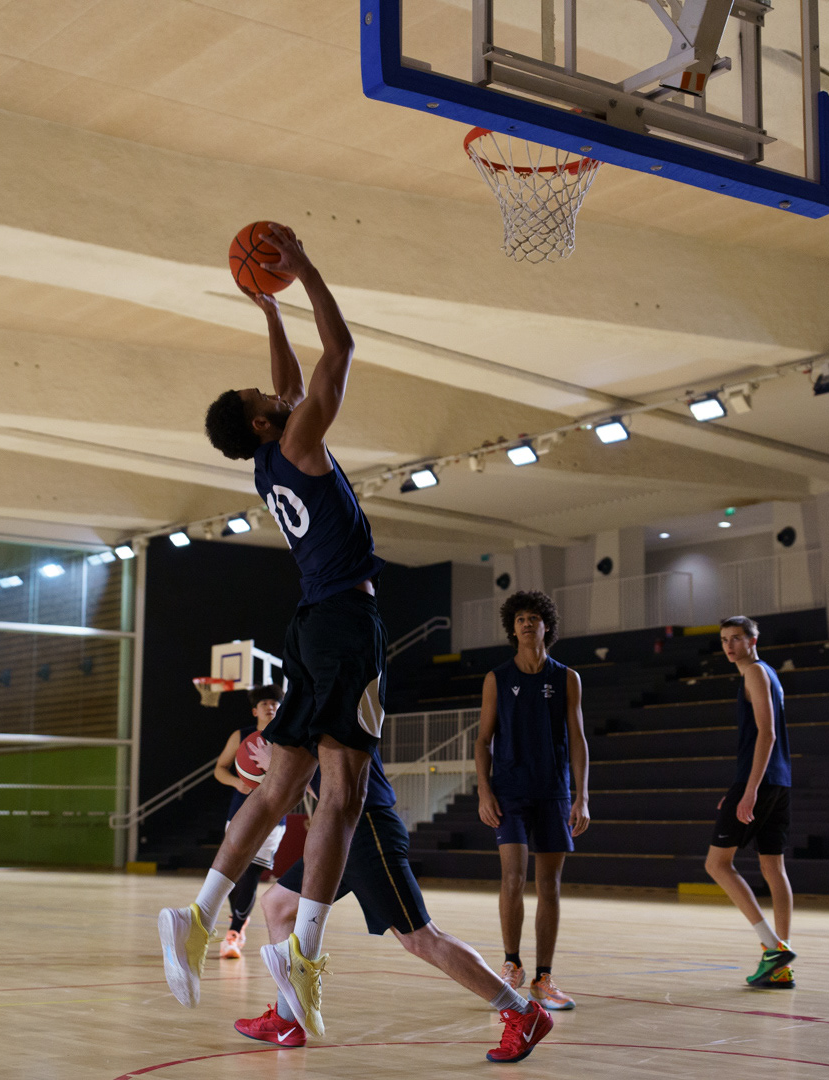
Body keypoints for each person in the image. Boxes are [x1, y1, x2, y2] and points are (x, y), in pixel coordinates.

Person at [161, 224, 386, 1036]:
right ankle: (304, 953)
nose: (271, 392)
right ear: (263, 424)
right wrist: (308, 272)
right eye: (262, 399)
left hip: (312, 623)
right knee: (344, 794)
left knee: (285, 786)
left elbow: (288, 381)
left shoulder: (268, 457)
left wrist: (269, 309)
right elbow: (341, 353)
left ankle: (199, 915)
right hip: (344, 622)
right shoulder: (294, 440)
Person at [233, 747, 554, 1063]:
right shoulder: (306, 725)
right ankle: (288, 1020)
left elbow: (323, 780)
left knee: (420, 937)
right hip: (338, 832)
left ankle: (522, 1012)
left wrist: (279, 768)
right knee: (278, 904)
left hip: (366, 831)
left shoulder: (329, 717)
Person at [474, 589, 590, 1010]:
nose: (526, 623)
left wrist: (582, 796)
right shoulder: (497, 678)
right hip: (509, 792)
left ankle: (543, 978)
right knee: (512, 877)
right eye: (520, 618)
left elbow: (578, 739)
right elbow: (483, 740)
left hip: (553, 791)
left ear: (546, 626)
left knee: (549, 885)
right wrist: (484, 790)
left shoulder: (567, 678)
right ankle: (512, 964)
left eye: (534, 618)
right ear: (513, 628)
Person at [703, 615, 797, 989]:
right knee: (773, 867)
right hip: (779, 781)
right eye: (724, 639)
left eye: (736, 638)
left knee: (717, 864)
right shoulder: (767, 673)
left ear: (753, 641)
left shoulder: (755, 673)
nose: (729, 645)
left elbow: (767, 734)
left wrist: (750, 789)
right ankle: (781, 963)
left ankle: (772, 948)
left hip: (762, 782)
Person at [212, 685, 286, 960]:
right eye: (264, 703)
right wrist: (236, 782)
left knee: (252, 872)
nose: (270, 706)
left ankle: (233, 934)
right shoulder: (241, 736)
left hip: (273, 815)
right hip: (240, 812)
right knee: (233, 873)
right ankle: (239, 920)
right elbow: (219, 768)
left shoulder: (288, 738)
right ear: (255, 710)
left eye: (275, 702)